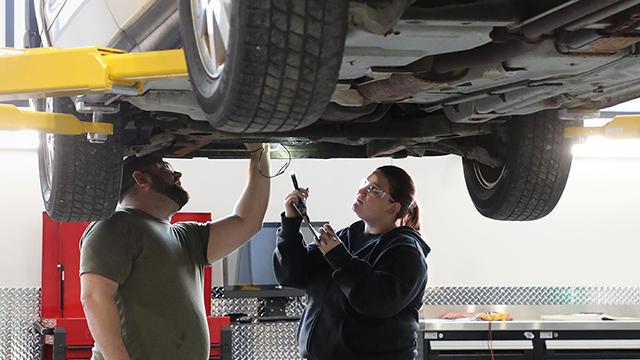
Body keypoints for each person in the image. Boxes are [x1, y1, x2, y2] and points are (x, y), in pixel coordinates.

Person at [79, 144, 270, 360]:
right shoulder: (114, 226)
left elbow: (248, 221)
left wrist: (259, 153)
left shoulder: (186, 236)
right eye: (165, 167)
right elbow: (94, 296)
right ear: (141, 179)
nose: (177, 174)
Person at [273, 165, 430, 360]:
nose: (361, 191)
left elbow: (377, 301)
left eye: (373, 189)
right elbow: (292, 275)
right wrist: (291, 223)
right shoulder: (346, 238)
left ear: (393, 207)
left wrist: (339, 258)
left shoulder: (406, 252)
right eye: (365, 183)